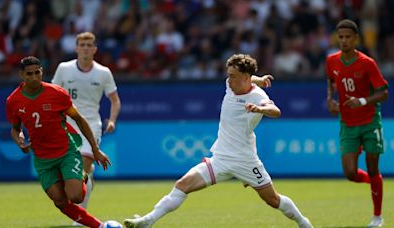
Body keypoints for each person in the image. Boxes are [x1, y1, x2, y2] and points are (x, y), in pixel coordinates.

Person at [124, 54, 313, 228]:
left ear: (245, 77)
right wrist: (261, 79)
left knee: (273, 200)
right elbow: (250, 79)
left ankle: (303, 222)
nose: (229, 80)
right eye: (228, 75)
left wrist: (259, 109)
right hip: (220, 159)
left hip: (245, 160)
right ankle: (147, 221)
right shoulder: (231, 85)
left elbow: (276, 111)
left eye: (233, 76)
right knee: (182, 184)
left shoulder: (258, 97)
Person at [5, 56, 111, 228]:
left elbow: (79, 119)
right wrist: (20, 141)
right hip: (43, 160)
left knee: (76, 197)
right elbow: (15, 128)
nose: (34, 78)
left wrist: (95, 149)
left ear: (42, 72)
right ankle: (100, 226)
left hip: (65, 152)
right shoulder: (13, 101)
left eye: (37, 73)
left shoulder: (56, 93)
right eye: (29, 74)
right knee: (61, 201)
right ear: (21, 75)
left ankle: (83, 175)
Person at [51, 32, 121, 225]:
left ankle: (81, 218)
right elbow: (52, 95)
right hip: (67, 125)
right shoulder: (64, 69)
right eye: (82, 44)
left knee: (83, 168)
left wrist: (112, 120)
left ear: (95, 49)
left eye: (89, 45)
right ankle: (87, 184)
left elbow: (114, 100)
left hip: (91, 126)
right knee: (70, 177)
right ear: (76, 48)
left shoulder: (103, 72)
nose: (86, 48)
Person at [326, 19, 388, 227]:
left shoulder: (367, 63)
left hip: (370, 121)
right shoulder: (332, 61)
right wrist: (330, 99)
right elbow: (330, 79)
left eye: (347, 37)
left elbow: (384, 93)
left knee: (372, 168)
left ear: (356, 39)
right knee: (350, 173)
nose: (343, 41)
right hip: (347, 122)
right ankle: (376, 184)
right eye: (340, 37)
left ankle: (377, 217)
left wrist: (362, 101)